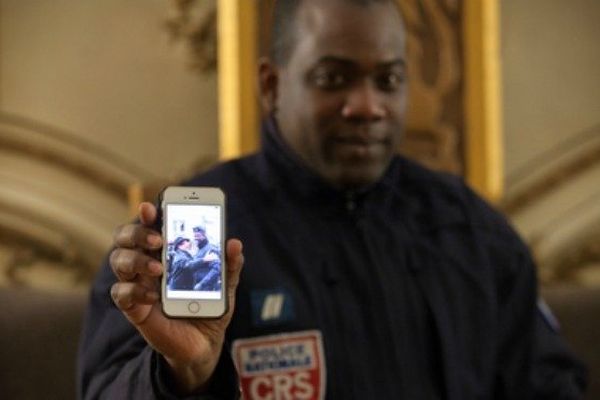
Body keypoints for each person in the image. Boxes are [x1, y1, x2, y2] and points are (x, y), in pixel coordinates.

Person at [77, 0, 587, 399]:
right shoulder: (183, 242)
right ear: (271, 85)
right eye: (333, 78)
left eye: (388, 80)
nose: (366, 106)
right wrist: (183, 374)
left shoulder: (471, 230)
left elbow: (549, 385)